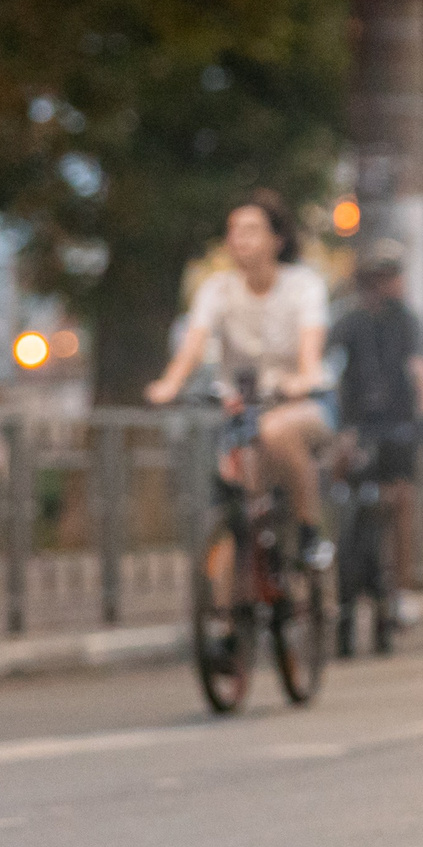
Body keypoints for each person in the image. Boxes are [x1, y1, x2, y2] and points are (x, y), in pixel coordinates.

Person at [144, 192, 334, 601]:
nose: (239, 240)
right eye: (233, 231)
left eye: (251, 230)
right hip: (243, 411)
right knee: (238, 509)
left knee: (279, 431)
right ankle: (229, 625)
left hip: (297, 405)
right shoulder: (218, 289)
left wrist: (303, 378)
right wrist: (171, 383)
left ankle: (308, 535)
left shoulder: (303, 285)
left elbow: (310, 347)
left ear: (277, 239)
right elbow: (194, 344)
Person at [329, 239, 423, 642]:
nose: (390, 284)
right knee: (338, 487)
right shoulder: (348, 321)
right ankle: (330, 575)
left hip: (398, 423)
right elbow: (329, 365)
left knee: (401, 499)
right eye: (382, 276)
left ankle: (400, 590)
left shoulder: (408, 321)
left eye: (394, 275)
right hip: (356, 425)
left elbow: (421, 367)